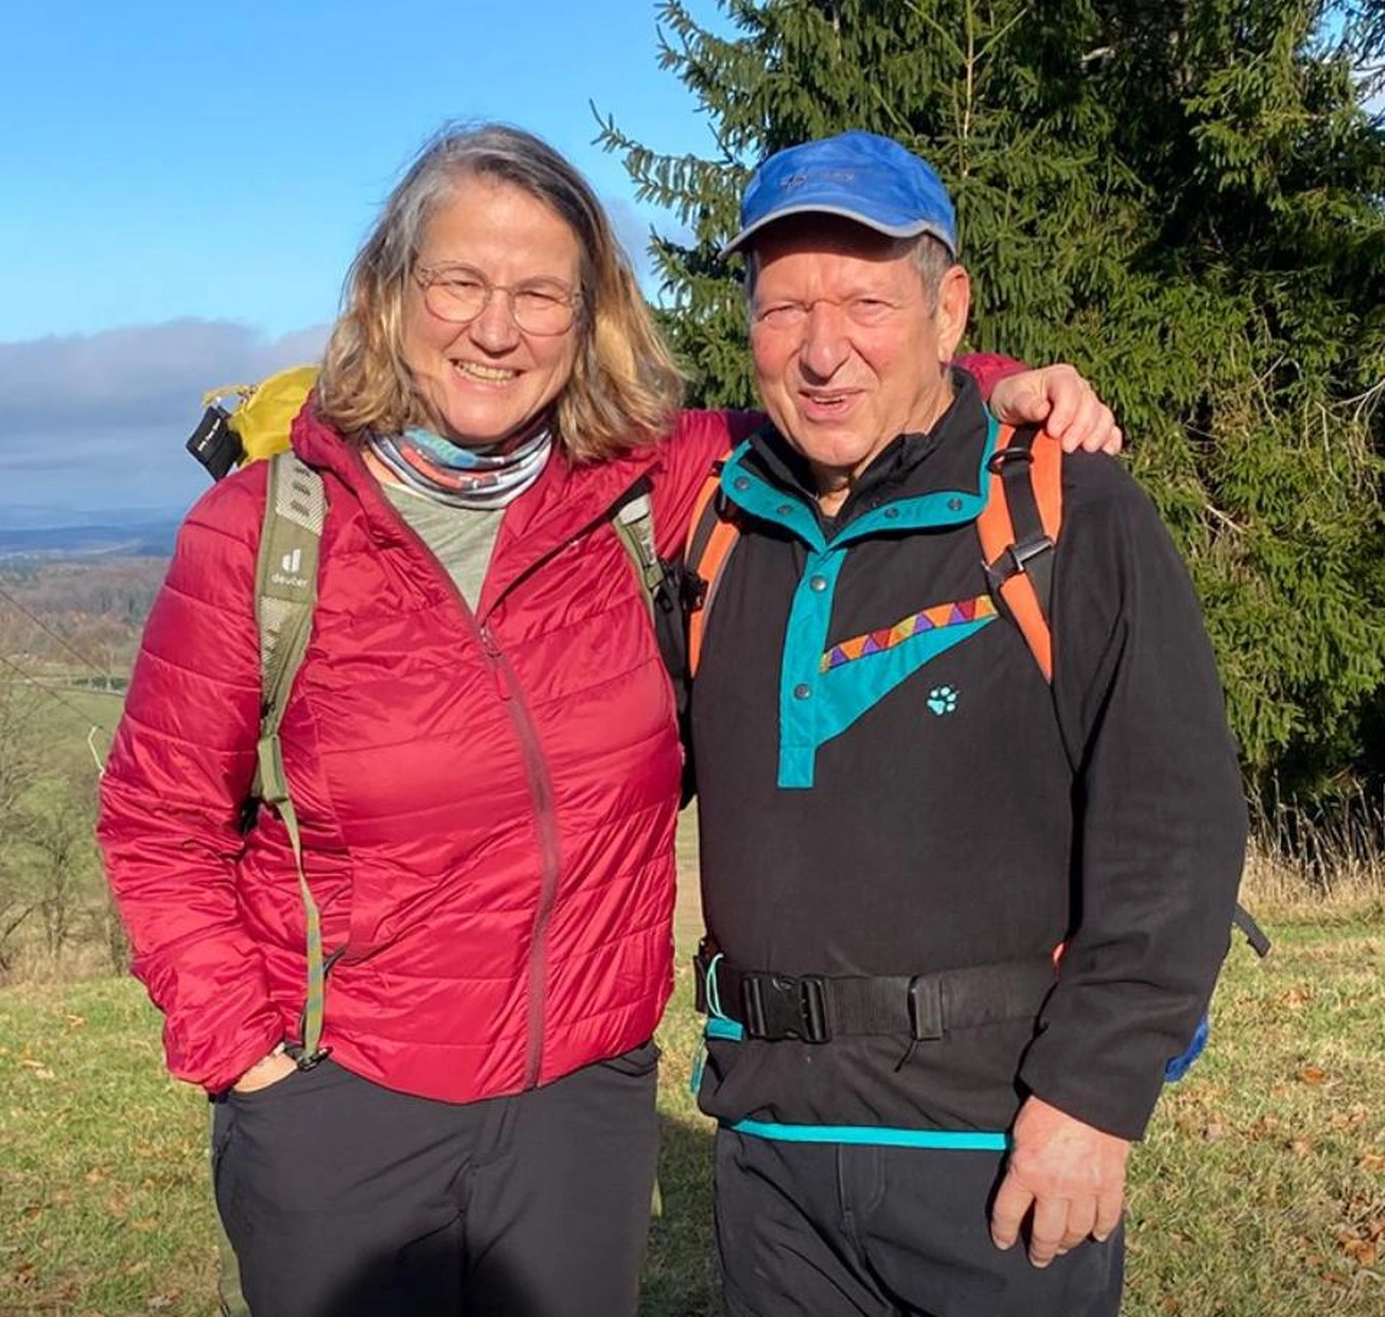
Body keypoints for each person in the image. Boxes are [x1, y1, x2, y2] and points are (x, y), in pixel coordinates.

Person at [96, 123, 1118, 1317]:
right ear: (388, 292)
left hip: (581, 1106)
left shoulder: (642, 486)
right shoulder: (262, 540)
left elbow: (831, 400)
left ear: (587, 321)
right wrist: (251, 1067)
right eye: (459, 283)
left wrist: (992, 381)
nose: (495, 327)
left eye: (540, 294)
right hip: (343, 1107)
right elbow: (157, 824)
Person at [687, 130, 1248, 1317]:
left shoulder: (1062, 506)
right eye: (783, 309)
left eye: (864, 303)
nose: (822, 349)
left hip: (994, 1147)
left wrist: (1092, 1101)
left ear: (948, 312)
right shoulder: (716, 529)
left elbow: (1174, 827)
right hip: (768, 1148)